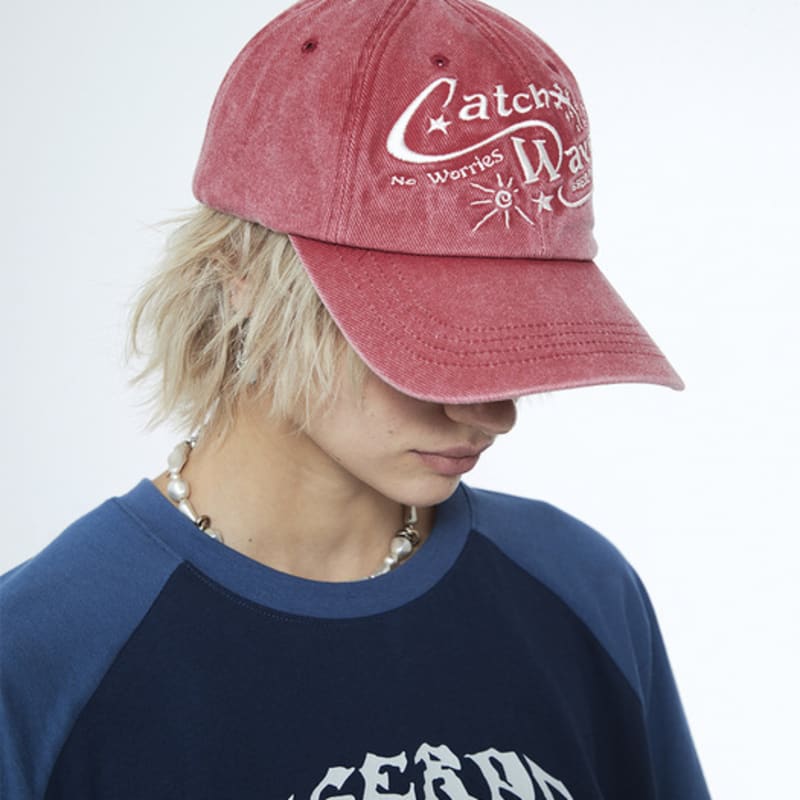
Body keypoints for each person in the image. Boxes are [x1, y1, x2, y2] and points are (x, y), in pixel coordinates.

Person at [0, 0, 711, 797]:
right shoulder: (40, 663)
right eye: (435, 339)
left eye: (518, 334)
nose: (494, 414)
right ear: (241, 277)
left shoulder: (581, 592)